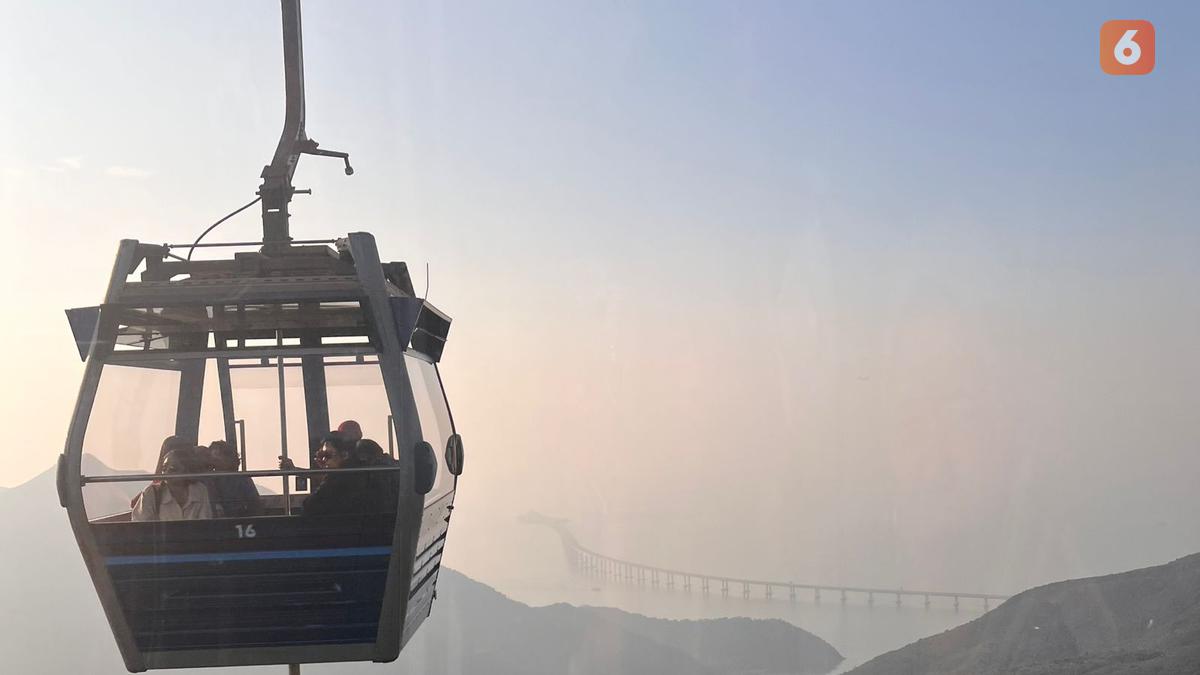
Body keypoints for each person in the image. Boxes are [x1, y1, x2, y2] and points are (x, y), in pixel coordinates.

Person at [131, 448, 213, 522]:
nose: (166, 473)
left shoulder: (200, 491)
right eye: (164, 468)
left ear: (186, 470)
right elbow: (140, 526)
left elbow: (204, 524)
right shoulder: (151, 493)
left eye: (172, 469)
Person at [206, 439, 262, 518]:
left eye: (218, 454)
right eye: (213, 455)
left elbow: (255, 506)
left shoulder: (242, 479)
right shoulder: (208, 479)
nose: (215, 459)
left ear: (228, 457)